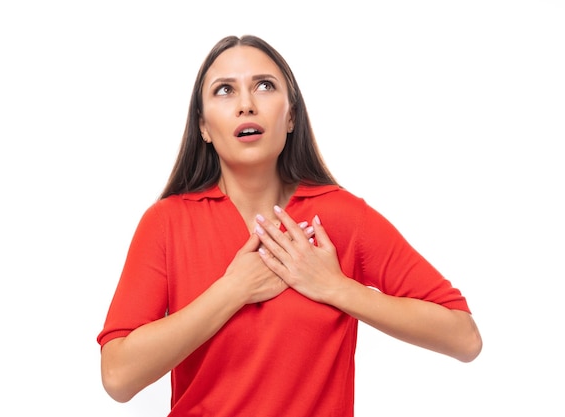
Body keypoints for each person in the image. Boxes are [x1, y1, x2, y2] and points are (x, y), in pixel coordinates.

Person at [96, 34, 482, 416]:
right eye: (225, 90)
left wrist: (334, 287)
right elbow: (118, 376)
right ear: (204, 128)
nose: (246, 105)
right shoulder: (167, 223)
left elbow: (464, 337)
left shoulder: (342, 218)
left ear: (292, 115)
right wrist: (233, 289)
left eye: (264, 86)